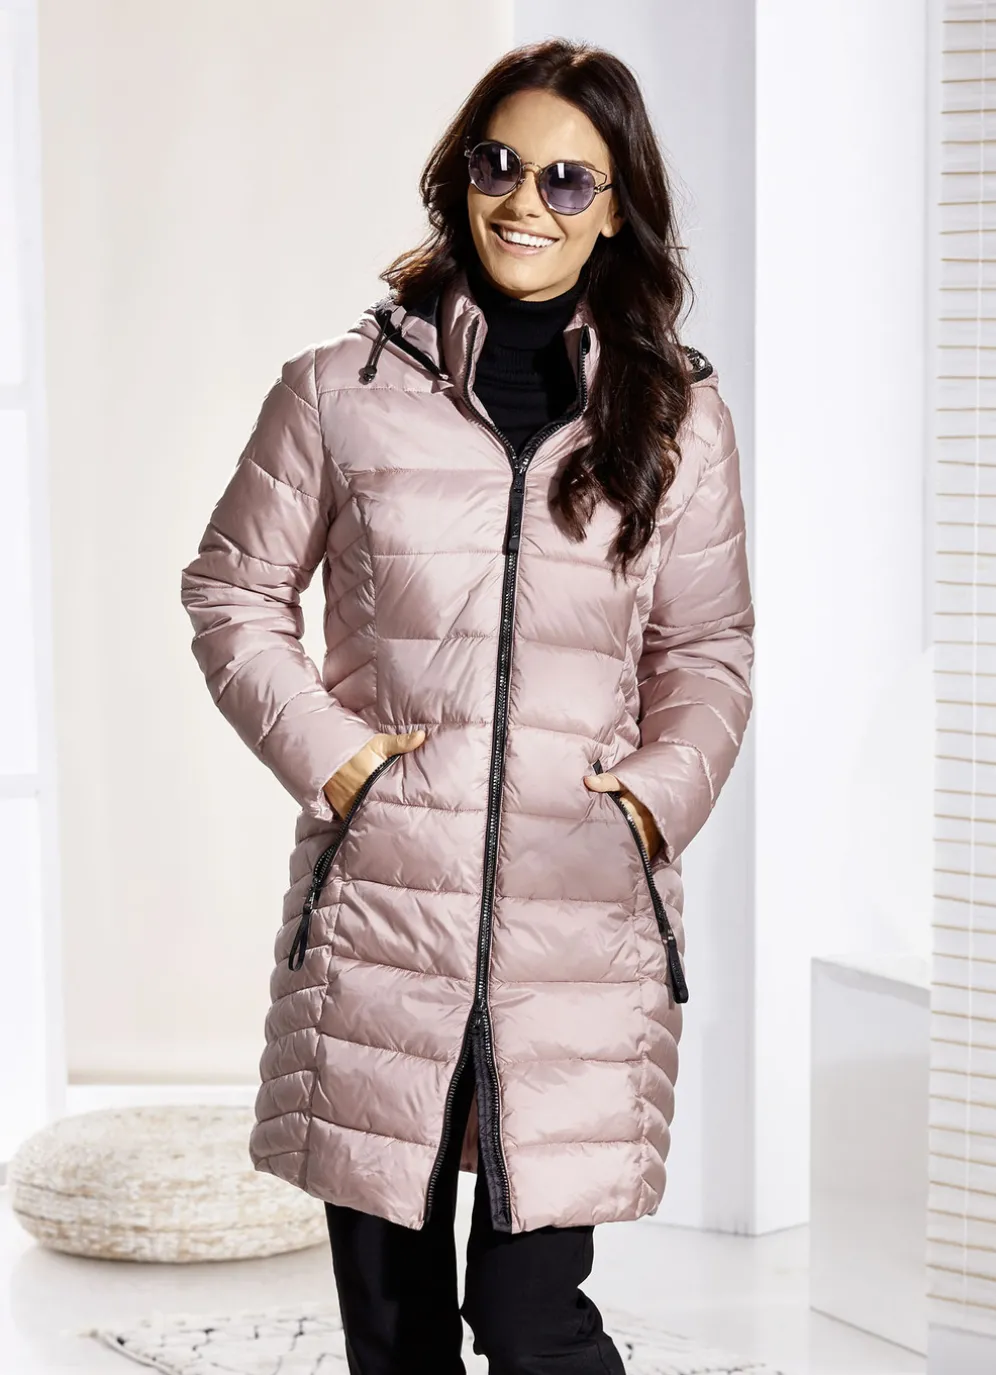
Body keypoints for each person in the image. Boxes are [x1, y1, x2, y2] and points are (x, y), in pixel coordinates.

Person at [180, 36, 754, 1375]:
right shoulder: (340, 391)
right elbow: (231, 590)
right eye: (501, 164)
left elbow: (709, 649)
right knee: (395, 1339)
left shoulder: (676, 418)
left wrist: (652, 802)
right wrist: (336, 760)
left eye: (569, 179)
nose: (526, 201)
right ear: (461, 176)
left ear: (614, 211)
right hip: (384, 916)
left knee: (532, 1322)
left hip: (574, 922)